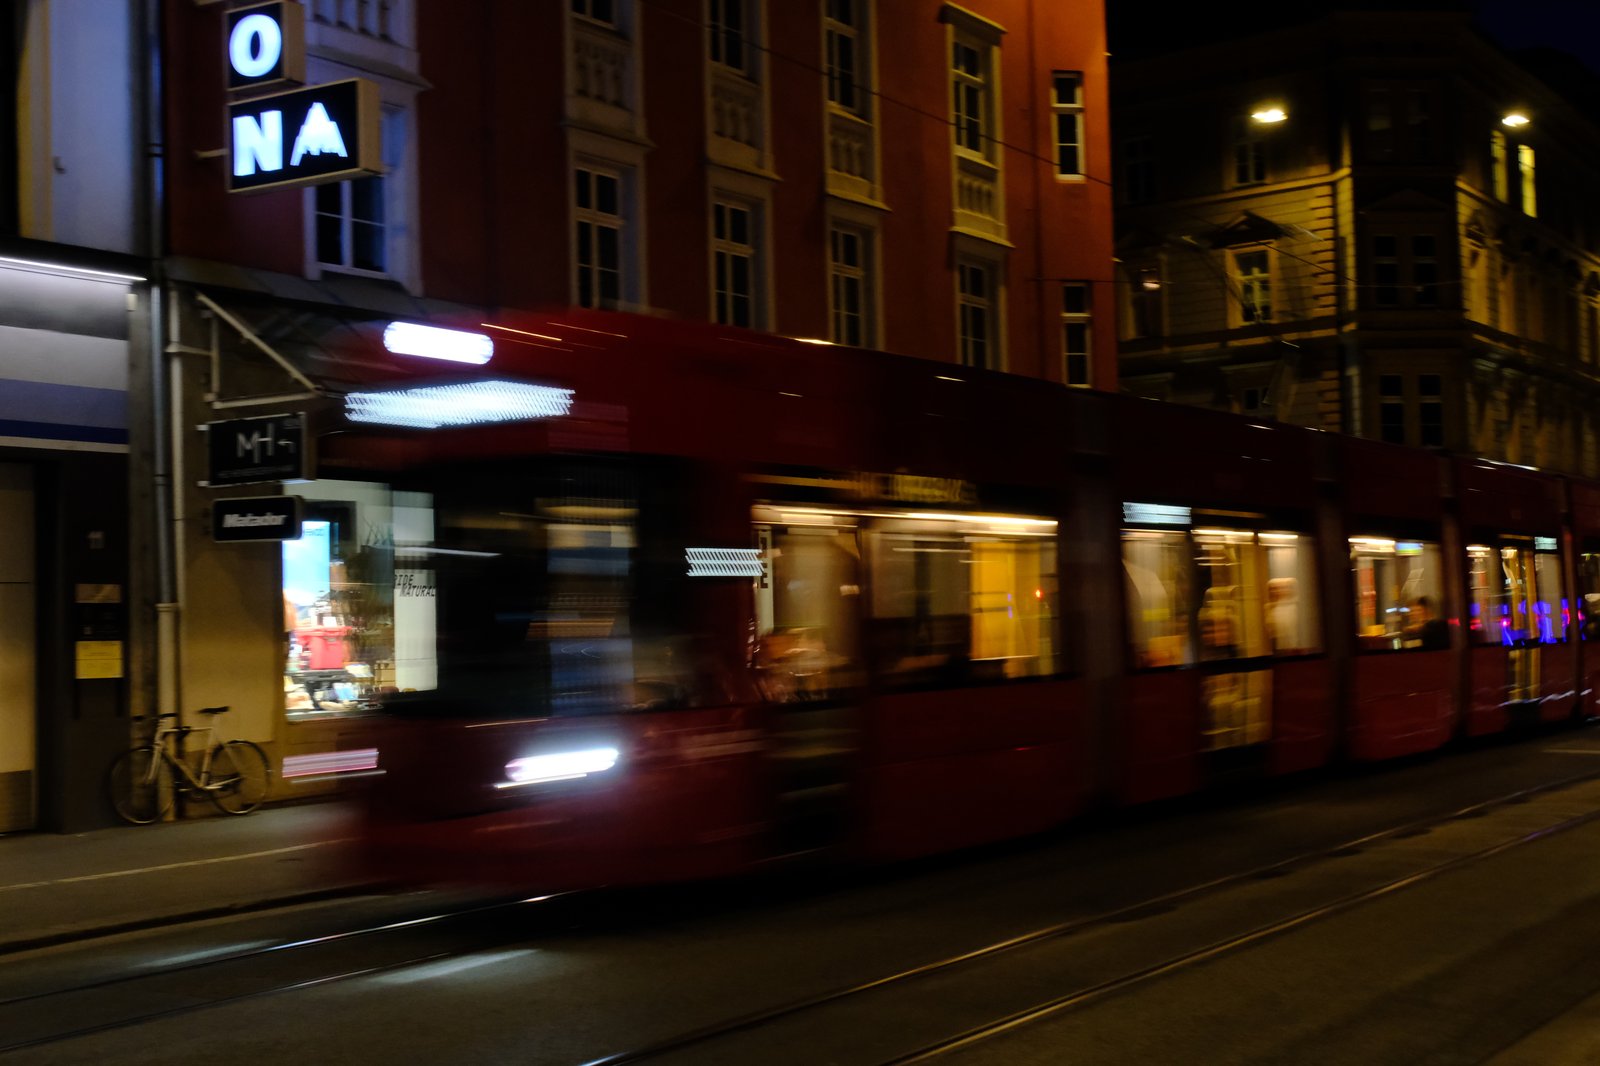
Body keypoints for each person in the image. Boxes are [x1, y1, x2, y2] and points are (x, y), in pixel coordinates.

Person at [1265, 577, 1299, 654]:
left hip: (1291, 647)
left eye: (1283, 588)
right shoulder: (1269, 607)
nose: (1278, 591)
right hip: (1276, 647)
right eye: (1274, 589)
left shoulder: (1294, 606)